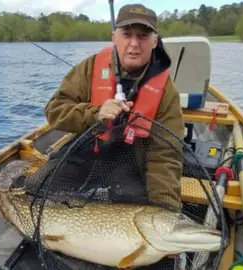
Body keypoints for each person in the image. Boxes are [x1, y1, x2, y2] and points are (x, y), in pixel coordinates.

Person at [44, 3, 185, 212]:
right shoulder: (90, 68)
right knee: (45, 189)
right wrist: (95, 113)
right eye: (127, 34)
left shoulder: (165, 90)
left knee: (145, 205)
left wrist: (165, 207)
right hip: (87, 153)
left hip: (132, 164)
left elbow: (165, 154)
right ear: (114, 37)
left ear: (154, 41)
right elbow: (54, 111)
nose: (134, 44)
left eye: (143, 36)